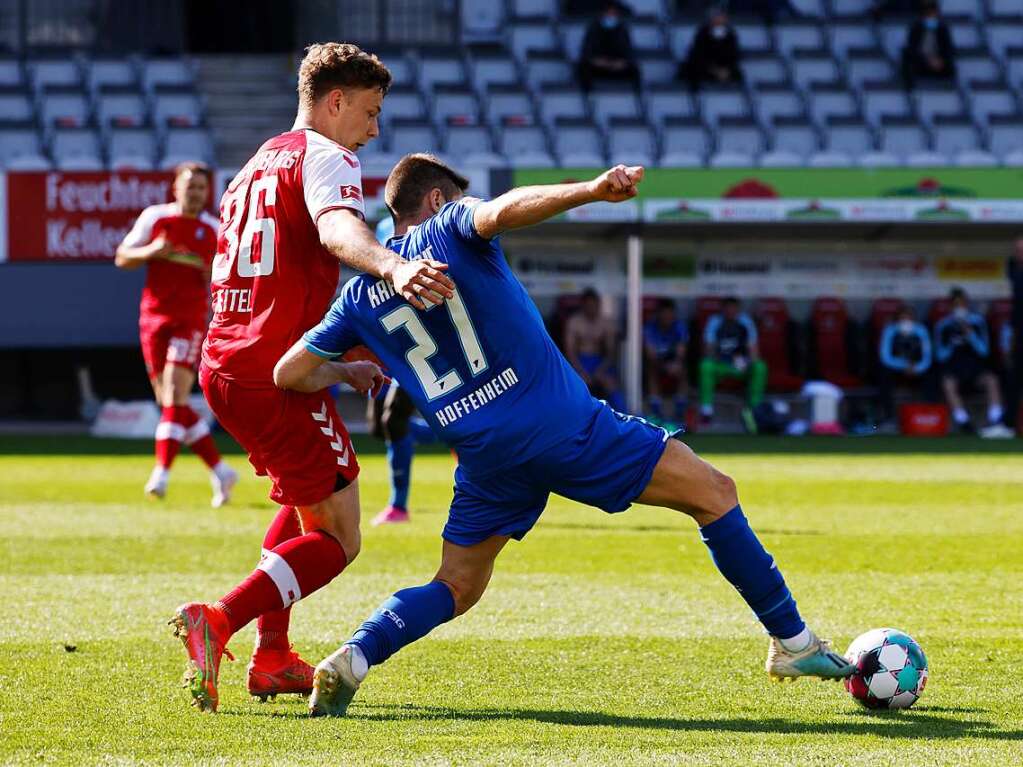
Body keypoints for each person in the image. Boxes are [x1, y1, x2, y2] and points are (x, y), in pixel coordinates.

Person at [274, 154, 855, 717]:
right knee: (716, 493)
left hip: (485, 457)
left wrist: (345, 370)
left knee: (455, 585)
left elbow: (288, 374)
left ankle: (354, 655)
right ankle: (793, 644)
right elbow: (503, 211)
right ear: (435, 199)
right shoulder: (450, 228)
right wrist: (591, 191)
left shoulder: (355, 298)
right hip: (562, 429)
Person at [169, 42, 455, 713]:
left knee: (302, 503)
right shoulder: (328, 157)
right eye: (369, 110)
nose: (374, 128)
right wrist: (390, 266)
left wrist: (331, 361)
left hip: (226, 362)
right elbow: (336, 230)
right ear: (335, 101)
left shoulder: (254, 163)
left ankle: (272, 657)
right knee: (338, 537)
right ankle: (220, 618)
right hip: (274, 373)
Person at [115, 162, 237, 507]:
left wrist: (209, 278)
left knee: (173, 393)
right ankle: (221, 470)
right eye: (190, 187)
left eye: (201, 188)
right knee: (170, 403)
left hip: (190, 319)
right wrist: (151, 252)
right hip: (153, 318)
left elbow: (223, 278)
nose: (195, 193)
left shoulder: (214, 229)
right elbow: (122, 257)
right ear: (176, 188)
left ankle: (161, 473)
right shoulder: (156, 219)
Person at [934, 288, 1009, 437]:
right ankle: (964, 422)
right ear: (950, 306)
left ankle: (995, 420)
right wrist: (952, 342)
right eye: (955, 304)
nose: (959, 307)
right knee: (948, 383)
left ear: (967, 304)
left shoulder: (978, 321)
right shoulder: (943, 325)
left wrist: (970, 335)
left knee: (992, 380)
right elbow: (940, 356)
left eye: (962, 304)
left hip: (975, 368)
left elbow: (984, 351)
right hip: (955, 368)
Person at [699, 297, 767, 431]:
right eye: (728, 309)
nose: (731, 312)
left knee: (760, 366)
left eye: (734, 309)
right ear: (723, 310)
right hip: (721, 365)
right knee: (705, 365)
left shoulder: (745, 322)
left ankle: (754, 410)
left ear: (738, 310)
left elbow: (753, 351)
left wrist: (745, 362)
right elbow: (708, 351)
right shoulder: (715, 322)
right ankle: (706, 410)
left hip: (741, 366)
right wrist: (721, 356)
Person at [565, 288, 627, 412]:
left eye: (594, 305)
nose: (591, 308)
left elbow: (611, 353)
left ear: (598, 305)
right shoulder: (574, 322)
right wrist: (581, 372)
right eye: (588, 305)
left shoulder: (606, 323)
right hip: (580, 361)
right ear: (583, 306)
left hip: (599, 362)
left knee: (610, 383)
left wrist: (600, 371)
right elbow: (570, 352)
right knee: (577, 386)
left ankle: (626, 417)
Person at [877, 306, 934, 424]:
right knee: (883, 375)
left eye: (908, 318)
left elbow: (927, 356)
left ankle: (927, 414)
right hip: (896, 369)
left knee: (932, 375)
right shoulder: (890, 330)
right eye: (902, 318)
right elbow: (885, 357)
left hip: (916, 369)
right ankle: (889, 416)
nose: (905, 321)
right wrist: (903, 366)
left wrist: (917, 368)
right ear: (897, 319)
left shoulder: (921, 331)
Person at [576, 0, 641, 94]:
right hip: (598, 67)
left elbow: (629, 52)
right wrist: (598, 61)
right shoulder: (594, 29)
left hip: (617, 67)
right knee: (584, 69)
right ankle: (589, 98)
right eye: (608, 13)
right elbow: (587, 53)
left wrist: (622, 62)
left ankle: (638, 99)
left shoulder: (622, 30)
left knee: (634, 69)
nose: (611, 16)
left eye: (613, 13)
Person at [643, 298, 688, 423]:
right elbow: (650, 354)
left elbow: (681, 352)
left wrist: (675, 364)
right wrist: (664, 366)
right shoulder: (650, 328)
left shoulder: (679, 327)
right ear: (658, 314)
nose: (667, 317)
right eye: (664, 314)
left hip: (673, 363)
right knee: (651, 369)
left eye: (670, 314)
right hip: (657, 363)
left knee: (683, 369)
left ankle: (680, 412)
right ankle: (656, 411)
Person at [680, 6, 743, 93]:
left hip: (725, 69)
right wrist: (715, 70)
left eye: (722, 17)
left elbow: (734, 55)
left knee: (738, 75)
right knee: (693, 72)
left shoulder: (730, 34)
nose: (719, 19)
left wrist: (726, 70)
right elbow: (698, 55)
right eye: (716, 17)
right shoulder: (702, 33)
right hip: (706, 68)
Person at [901, 0, 956, 90]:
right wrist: (927, 60)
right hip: (921, 62)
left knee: (950, 65)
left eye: (933, 14)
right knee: (907, 59)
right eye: (928, 14)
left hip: (939, 63)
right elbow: (912, 49)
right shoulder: (916, 29)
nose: (931, 16)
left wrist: (940, 60)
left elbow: (948, 49)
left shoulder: (943, 30)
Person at [1003, 238, 1023, 434]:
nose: (1018, 253)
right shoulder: (1016, 272)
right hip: (1020, 335)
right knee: (1013, 380)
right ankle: (1008, 424)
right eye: (1016, 249)